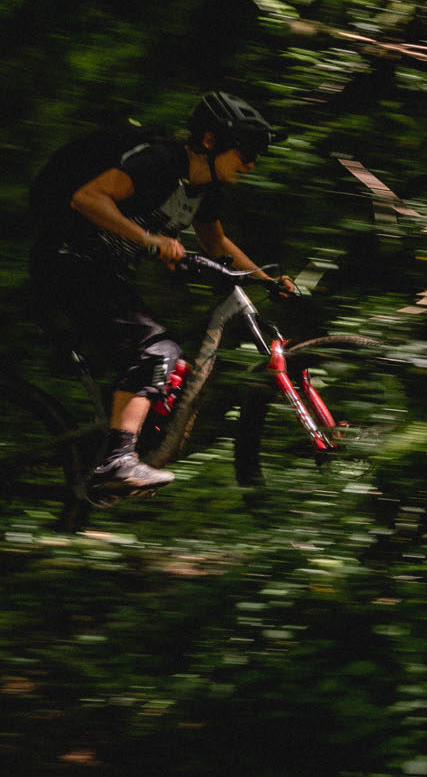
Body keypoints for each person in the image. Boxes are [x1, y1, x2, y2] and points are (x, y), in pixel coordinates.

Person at [28, 92, 292, 499]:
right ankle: (118, 460)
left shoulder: (207, 190)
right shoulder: (161, 161)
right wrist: (150, 239)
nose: (252, 163)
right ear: (210, 140)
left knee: (168, 363)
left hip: (106, 276)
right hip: (67, 263)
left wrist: (267, 279)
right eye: (246, 151)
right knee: (155, 350)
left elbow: (216, 243)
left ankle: (113, 450)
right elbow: (87, 198)